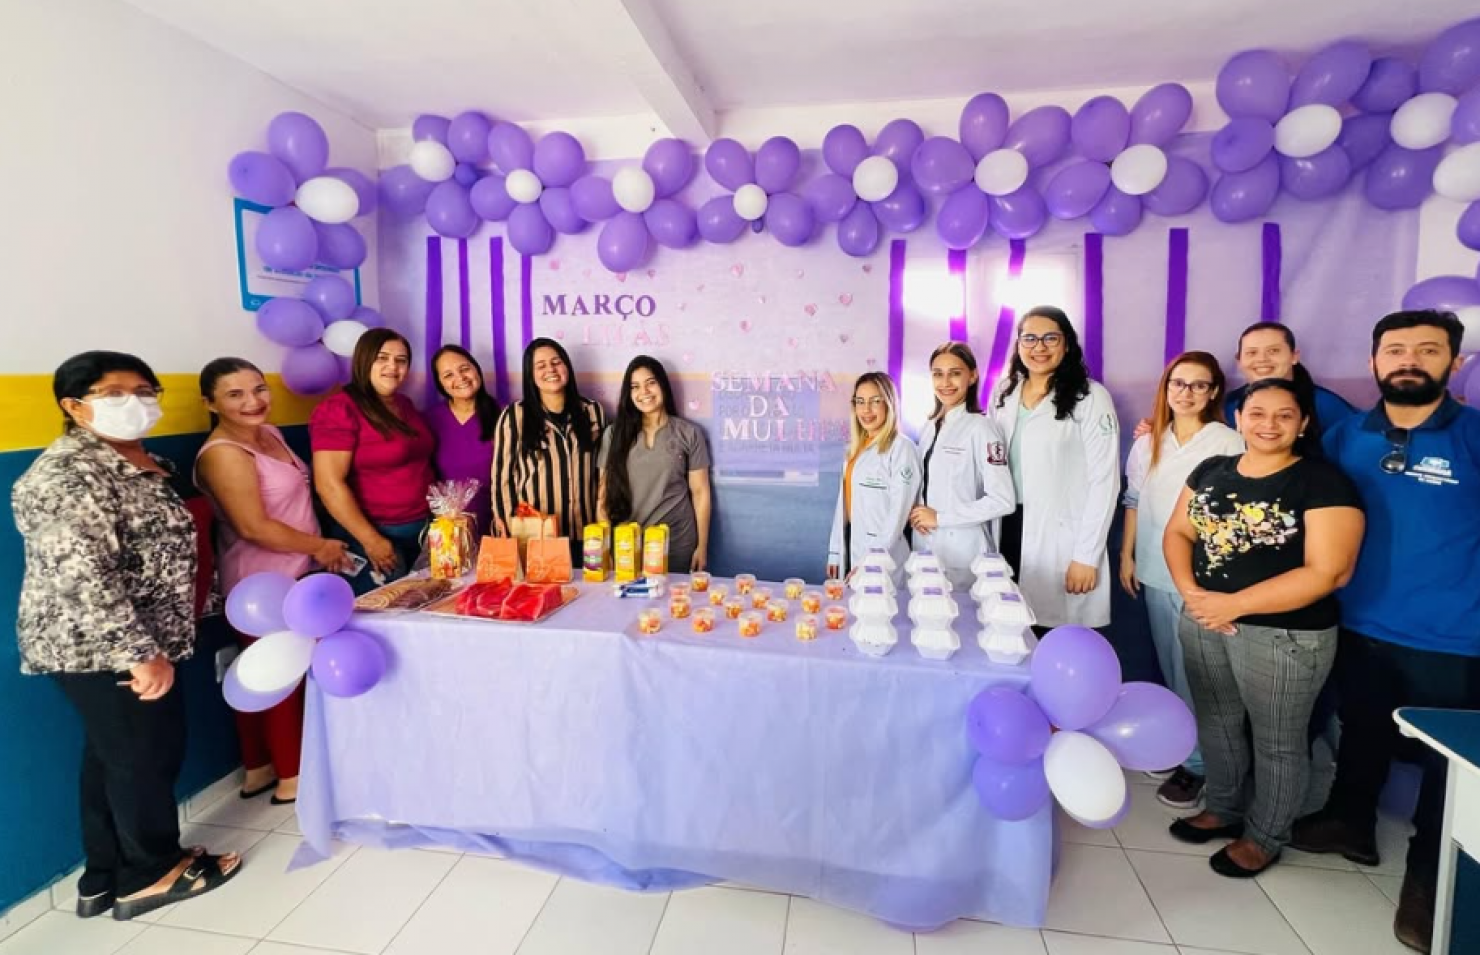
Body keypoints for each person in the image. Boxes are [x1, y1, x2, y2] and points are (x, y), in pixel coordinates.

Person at [12, 351, 241, 921]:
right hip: (103, 646)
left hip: (147, 637)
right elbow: (83, 577)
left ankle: (104, 873)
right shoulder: (66, 475)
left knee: (113, 755)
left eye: (144, 390)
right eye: (113, 393)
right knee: (144, 755)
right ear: (74, 406)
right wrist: (139, 655)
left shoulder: (147, 462)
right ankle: (149, 873)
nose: (134, 403)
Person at [1291, 310, 1480, 953]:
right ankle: (1350, 821)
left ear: (1454, 363)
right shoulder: (1346, 436)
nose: (1409, 360)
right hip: (1359, 619)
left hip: (1453, 635)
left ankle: (1432, 879)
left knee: (1446, 767)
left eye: (1427, 350)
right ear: (1373, 362)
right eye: (1395, 350)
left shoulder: (1474, 436)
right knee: (1362, 726)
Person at [1163, 379, 1365, 879]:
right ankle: (1223, 808)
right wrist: (1193, 595)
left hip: (1285, 637)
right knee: (1217, 721)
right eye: (1257, 413)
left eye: (1284, 415)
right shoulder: (1212, 469)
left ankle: (1265, 837)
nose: (1268, 424)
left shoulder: (1322, 482)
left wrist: (1231, 605)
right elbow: (1179, 531)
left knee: (1278, 740)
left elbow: (1330, 572)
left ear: (1304, 423)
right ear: (1239, 418)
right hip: (1206, 619)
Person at [195, 358, 351, 806]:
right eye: (235, 394)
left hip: (296, 574)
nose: (253, 401)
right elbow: (253, 526)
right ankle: (292, 778)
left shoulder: (270, 434)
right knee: (277, 675)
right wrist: (321, 546)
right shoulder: (223, 453)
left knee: (266, 671)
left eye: (259, 389)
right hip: (260, 584)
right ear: (210, 403)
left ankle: (260, 768)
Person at [1121, 352, 1245, 810]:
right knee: (1172, 669)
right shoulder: (1148, 442)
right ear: (1166, 387)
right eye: (1178, 383)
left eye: (1198, 385)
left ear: (1214, 392)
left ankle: (1200, 766)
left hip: (1202, 580)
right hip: (1155, 570)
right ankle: (1181, 748)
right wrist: (1127, 554)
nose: (1186, 392)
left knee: (1201, 677)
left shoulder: (1229, 442)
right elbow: (1134, 499)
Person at [989, 306, 1120, 629]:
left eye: (1050, 338)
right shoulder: (1004, 393)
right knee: (1008, 627)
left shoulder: (1091, 397)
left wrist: (1086, 556)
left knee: (1054, 633)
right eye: (1029, 338)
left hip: (1063, 535)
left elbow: (1105, 480)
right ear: (1019, 344)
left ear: (1067, 344)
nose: (1039, 347)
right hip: (1007, 524)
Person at [310, 329, 436, 594]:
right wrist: (371, 540)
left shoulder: (404, 404)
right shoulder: (339, 409)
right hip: (374, 535)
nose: (393, 367)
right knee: (382, 610)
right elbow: (328, 484)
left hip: (421, 530)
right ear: (364, 360)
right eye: (382, 358)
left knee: (421, 606)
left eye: (401, 360)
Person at [907, 343, 1015, 589]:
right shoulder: (929, 427)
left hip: (964, 554)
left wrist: (939, 518)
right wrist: (915, 511)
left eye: (955, 373)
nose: (945, 382)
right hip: (924, 547)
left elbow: (1003, 500)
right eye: (938, 374)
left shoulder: (982, 429)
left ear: (972, 376)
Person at [491, 338, 606, 560]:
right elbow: (502, 476)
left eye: (556, 362)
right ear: (530, 375)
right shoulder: (515, 416)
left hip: (587, 532)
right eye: (541, 366)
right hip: (538, 534)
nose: (550, 370)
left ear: (567, 367)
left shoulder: (592, 411)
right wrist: (505, 523)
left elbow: (602, 473)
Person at [597, 356, 713, 572]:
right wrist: (606, 549)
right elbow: (602, 498)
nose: (644, 392)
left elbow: (700, 493)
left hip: (676, 544)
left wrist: (702, 547)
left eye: (650, 383)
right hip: (626, 546)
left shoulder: (689, 434)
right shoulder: (613, 435)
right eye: (635, 386)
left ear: (663, 385)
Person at [827, 372, 921, 580]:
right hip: (855, 545)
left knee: (883, 599)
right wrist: (835, 551)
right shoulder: (854, 449)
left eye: (875, 401)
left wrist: (871, 561)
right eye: (860, 402)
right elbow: (843, 506)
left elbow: (897, 515)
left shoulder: (902, 449)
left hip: (885, 556)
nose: (866, 410)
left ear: (889, 404)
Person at [426, 345, 498, 537]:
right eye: (448, 375)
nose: (460, 377)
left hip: (497, 527)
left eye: (465, 369)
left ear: (476, 370)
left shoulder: (505, 416)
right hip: (447, 530)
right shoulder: (430, 420)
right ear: (440, 384)